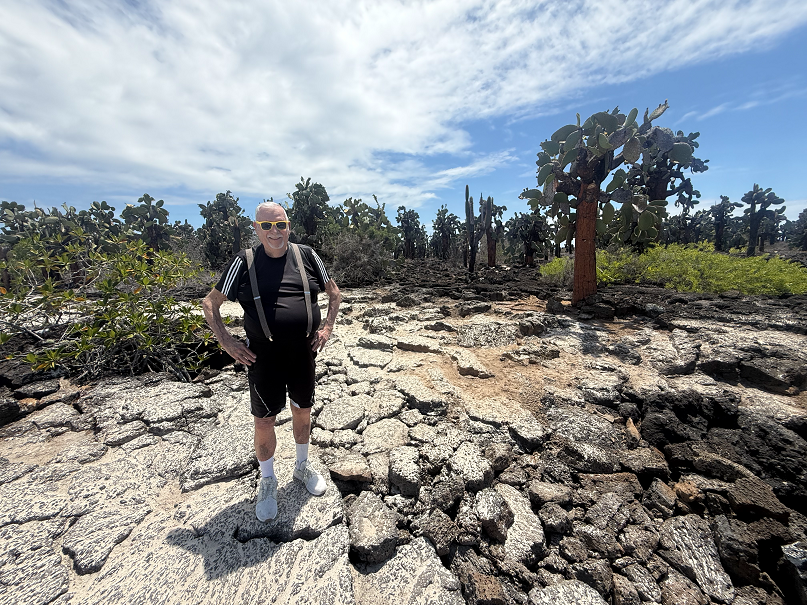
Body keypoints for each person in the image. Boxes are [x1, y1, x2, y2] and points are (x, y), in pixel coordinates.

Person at [202, 201, 341, 521]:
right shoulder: (244, 262)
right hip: (263, 356)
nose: (274, 231)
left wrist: (327, 328)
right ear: (256, 228)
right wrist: (227, 341)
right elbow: (210, 303)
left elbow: (334, 293)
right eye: (266, 226)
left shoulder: (307, 255)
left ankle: (302, 466)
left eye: (280, 224)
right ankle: (267, 480)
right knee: (264, 420)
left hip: (304, 351)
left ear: (288, 226)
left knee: (302, 410)